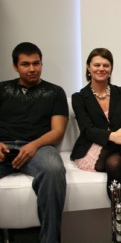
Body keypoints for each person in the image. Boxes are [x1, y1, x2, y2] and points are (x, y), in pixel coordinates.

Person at [0, 42, 69, 243]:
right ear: (15, 66)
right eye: (25, 64)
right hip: (3, 146)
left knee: (54, 169)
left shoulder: (55, 92)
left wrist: (33, 145)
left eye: (36, 63)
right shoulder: (2, 89)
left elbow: (57, 132)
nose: (32, 69)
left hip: (39, 147)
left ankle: (50, 240)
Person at [70, 48, 121, 204]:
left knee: (115, 163)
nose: (101, 69)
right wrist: (113, 136)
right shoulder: (79, 98)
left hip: (116, 147)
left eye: (106, 65)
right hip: (93, 147)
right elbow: (87, 129)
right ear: (88, 68)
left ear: (111, 69)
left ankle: (119, 210)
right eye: (97, 65)